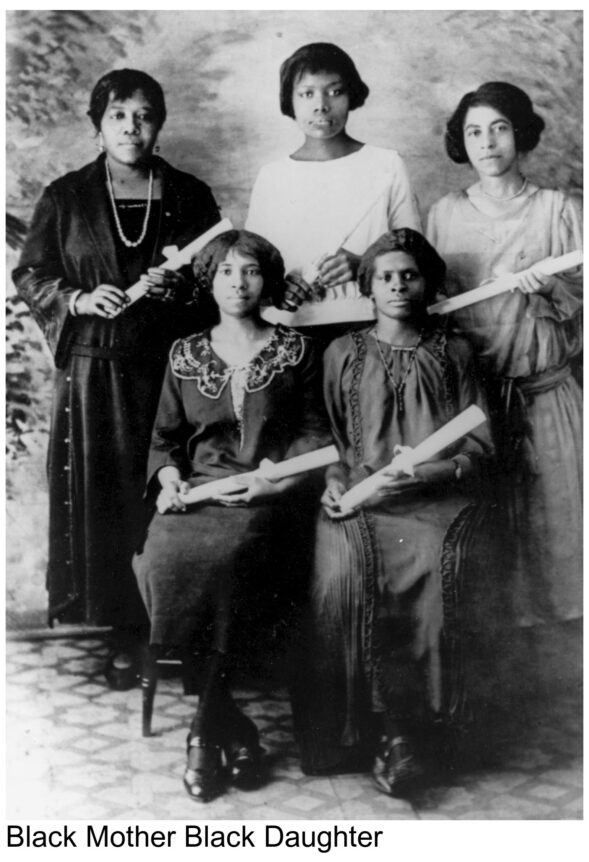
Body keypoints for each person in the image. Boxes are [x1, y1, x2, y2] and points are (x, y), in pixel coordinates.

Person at [13, 69, 220, 681]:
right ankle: (125, 632)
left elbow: (216, 275)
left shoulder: (188, 194)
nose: (132, 128)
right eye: (118, 116)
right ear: (98, 124)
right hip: (94, 372)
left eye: (145, 115)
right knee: (108, 499)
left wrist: (179, 283)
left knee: (168, 491)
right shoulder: (67, 195)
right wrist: (77, 300)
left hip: (167, 368)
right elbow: (30, 275)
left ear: (161, 122)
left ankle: (176, 626)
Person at [133, 230, 329, 802]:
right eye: (225, 272)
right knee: (160, 558)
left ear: (268, 279)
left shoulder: (296, 350)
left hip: (265, 498)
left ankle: (202, 734)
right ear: (209, 280)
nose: (238, 283)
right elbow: (165, 439)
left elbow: (317, 433)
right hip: (196, 496)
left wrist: (275, 481)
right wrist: (170, 480)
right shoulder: (184, 352)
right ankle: (233, 727)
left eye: (250, 271)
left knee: (233, 560)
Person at [296, 229, 493, 797]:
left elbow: (478, 449)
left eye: (410, 275)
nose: (399, 285)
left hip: (436, 501)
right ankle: (378, 728)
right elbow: (330, 444)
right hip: (362, 500)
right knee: (346, 572)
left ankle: (424, 729)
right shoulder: (342, 353)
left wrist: (423, 472)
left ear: (428, 282)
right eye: (386, 276)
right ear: (369, 287)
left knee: (438, 565)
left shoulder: (454, 353)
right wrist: (335, 485)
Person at [427, 82, 582, 626]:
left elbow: (582, 305)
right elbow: (430, 306)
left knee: (557, 545)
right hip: (475, 407)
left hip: (545, 398)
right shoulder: (444, 214)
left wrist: (548, 290)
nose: (487, 142)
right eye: (474, 131)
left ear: (520, 133)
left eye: (499, 128)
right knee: (486, 551)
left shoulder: (559, 210)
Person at [246, 41, 421, 339]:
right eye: (307, 93)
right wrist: (278, 288)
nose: (321, 105)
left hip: (373, 324)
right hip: (290, 328)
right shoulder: (271, 176)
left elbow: (416, 255)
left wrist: (365, 265)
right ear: (290, 100)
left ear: (351, 94)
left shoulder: (386, 164)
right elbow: (252, 264)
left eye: (335, 91)